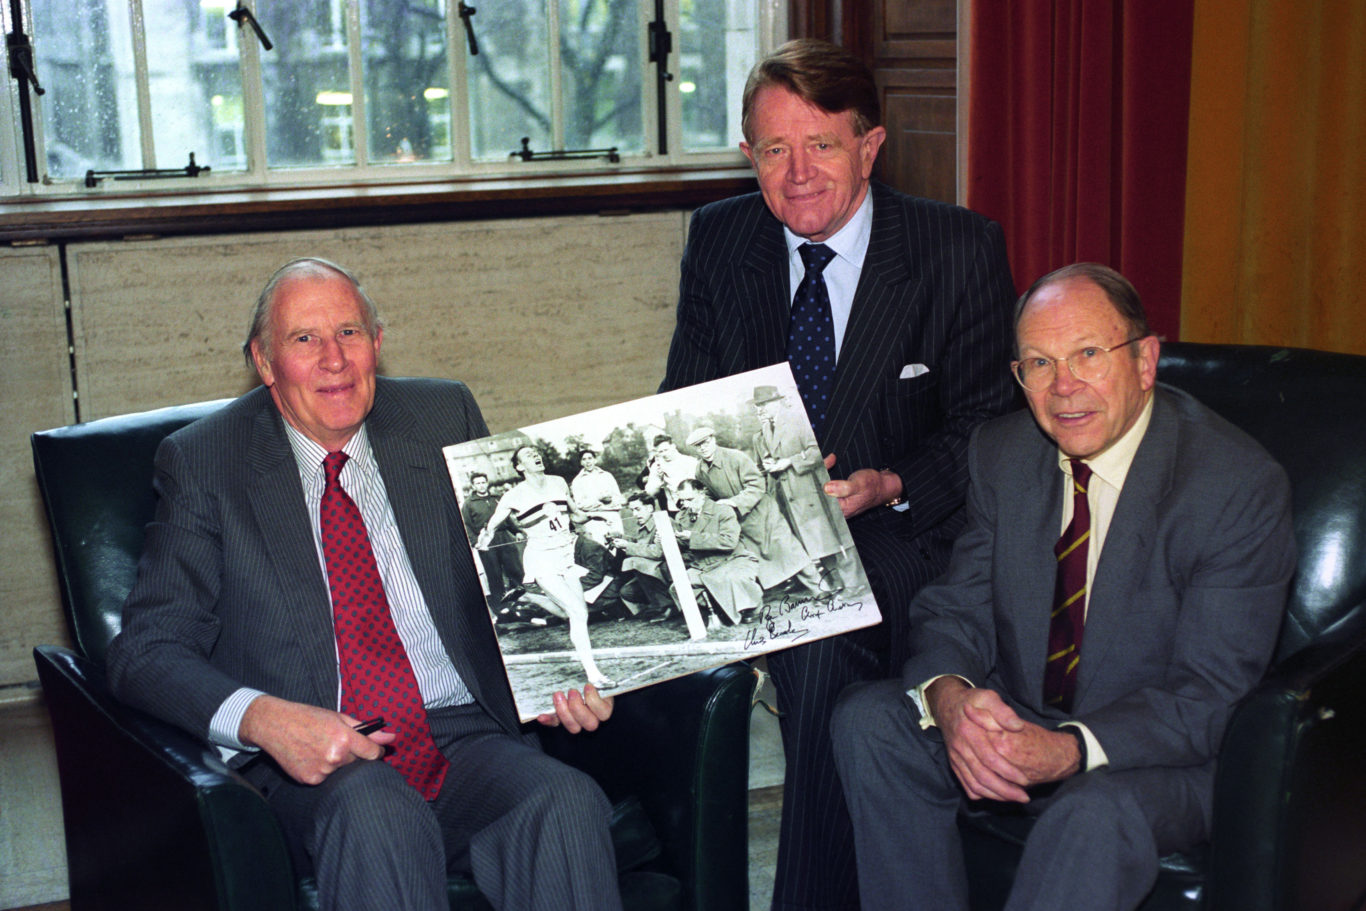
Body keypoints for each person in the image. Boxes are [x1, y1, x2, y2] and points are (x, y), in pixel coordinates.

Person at [105, 258, 622, 911]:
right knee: (380, 814)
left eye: (349, 332)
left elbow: (505, 581)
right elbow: (144, 651)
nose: (334, 359)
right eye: (304, 339)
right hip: (314, 752)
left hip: (461, 731)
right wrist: (266, 719)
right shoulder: (207, 461)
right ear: (264, 362)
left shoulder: (443, 415)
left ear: (377, 343)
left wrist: (551, 669)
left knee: (565, 800)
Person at [658, 38, 1016, 910]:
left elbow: (988, 430)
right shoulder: (722, 237)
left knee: (812, 634)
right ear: (749, 156)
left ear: (871, 144)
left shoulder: (955, 248)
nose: (798, 173)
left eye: (822, 144)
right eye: (773, 150)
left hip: (901, 533)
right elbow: (683, 399)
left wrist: (888, 483)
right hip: (752, 525)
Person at [830, 263, 1296, 911]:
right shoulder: (1001, 451)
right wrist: (951, 697)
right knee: (870, 721)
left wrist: (1072, 747)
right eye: (1038, 364)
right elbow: (953, 609)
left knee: (1092, 812)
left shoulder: (1234, 485)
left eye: (1087, 354)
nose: (1064, 387)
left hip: (1160, 758)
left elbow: (1210, 696)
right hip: (1025, 715)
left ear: (1144, 360)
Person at [475, 444, 616, 689]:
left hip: (566, 556)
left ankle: (528, 596)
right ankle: (594, 675)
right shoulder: (514, 495)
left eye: (536, 452)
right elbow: (493, 523)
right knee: (578, 613)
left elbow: (576, 514)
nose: (536, 456)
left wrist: (600, 514)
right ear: (519, 467)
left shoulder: (559, 482)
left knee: (570, 613)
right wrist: (484, 538)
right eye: (528, 455)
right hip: (541, 559)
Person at [686, 425, 824, 596]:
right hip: (741, 520)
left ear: (713, 440)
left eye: (705, 442)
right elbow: (711, 497)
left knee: (787, 549)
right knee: (759, 556)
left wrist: (734, 501)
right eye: (698, 446)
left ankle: (819, 588)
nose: (703, 448)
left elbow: (757, 484)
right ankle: (791, 585)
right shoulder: (700, 470)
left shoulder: (735, 457)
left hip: (763, 512)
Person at [749, 384, 855, 586]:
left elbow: (818, 451)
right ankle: (836, 584)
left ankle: (855, 583)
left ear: (776, 402)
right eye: (758, 405)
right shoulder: (763, 431)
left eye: (763, 403)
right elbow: (765, 462)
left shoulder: (798, 420)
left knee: (831, 537)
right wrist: (768, 464)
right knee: (813, 544)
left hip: (810, 493)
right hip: (785, 497)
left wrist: (789, 462)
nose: (760, 408)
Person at [672, 479, 764, 623]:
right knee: (678, 586)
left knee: (734, 579)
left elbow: (728, 542)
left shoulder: (722, 511)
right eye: (682, 501)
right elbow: (683, 545)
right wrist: (669, 538)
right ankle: (714, 609)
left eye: (690, 499)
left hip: (732, 559)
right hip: (703, 565)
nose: (687, 505)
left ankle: (753, 607)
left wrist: (692, 536)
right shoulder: (682, 517)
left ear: (702, 494)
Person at [606, 492, 677, 620]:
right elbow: (642, 544)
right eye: (632, 510)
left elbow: (657, 552)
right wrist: (621, 537)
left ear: (649, 508)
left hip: (672, 568)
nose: (634, 514)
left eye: (637, 509)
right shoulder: (646, 525)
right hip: (656, 571)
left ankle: (667, 606)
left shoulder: (663, 523)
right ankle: (658, 603)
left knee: (636, 562)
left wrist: (627, 545)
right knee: (627, 592)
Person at [462, 470, 525, 602]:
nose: (481, 486)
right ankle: (501, 604)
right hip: (485, 541)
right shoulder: (468, 504)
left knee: (514, 569)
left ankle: (523, 598)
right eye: (477, 483)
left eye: (483, 482)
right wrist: (475, 542)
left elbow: (507, 518)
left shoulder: (497, 498)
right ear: (473, 486)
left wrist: (517, 531)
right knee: (494, 573)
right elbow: (466, 525)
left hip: (504, 537)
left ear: (487, 483)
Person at [570, 447, 625, 544]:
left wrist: (610, 502)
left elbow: (618, 498)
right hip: (595, 519)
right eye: (584, 459)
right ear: (581, 463)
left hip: (613, 516)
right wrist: (598, 500)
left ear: (595, 460)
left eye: (590, 458)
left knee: (620, 547)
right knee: (600, 549)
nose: (587, 462)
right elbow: (580, 504)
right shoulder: (577, 481)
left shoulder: (607, 475)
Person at [642, 433, 699, 512]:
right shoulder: (657, 466)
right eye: (660, 452)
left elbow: (693, 487)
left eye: (666, 450)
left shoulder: (690, 461)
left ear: (673, 446)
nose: (664, 454)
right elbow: (650, 493)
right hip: (674, 509)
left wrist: (669, 479)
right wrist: (659, 480)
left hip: (694, 506)